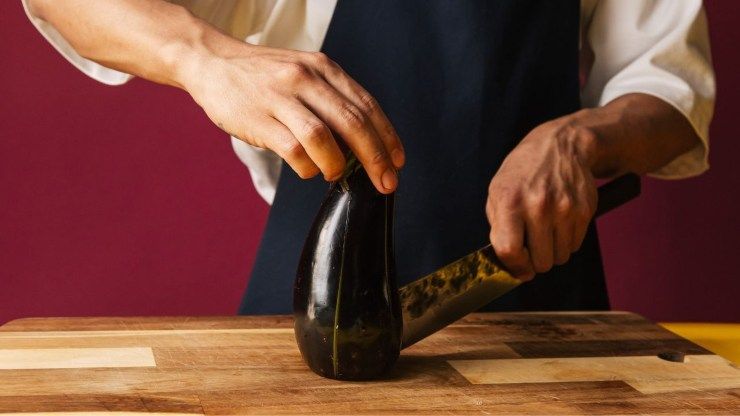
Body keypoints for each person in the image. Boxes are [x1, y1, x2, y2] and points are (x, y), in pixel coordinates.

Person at [24, 0, 714, 314]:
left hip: (540, 301)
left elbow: (671, 96)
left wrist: (579, 139)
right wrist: (203, 58)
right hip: (311, 298)